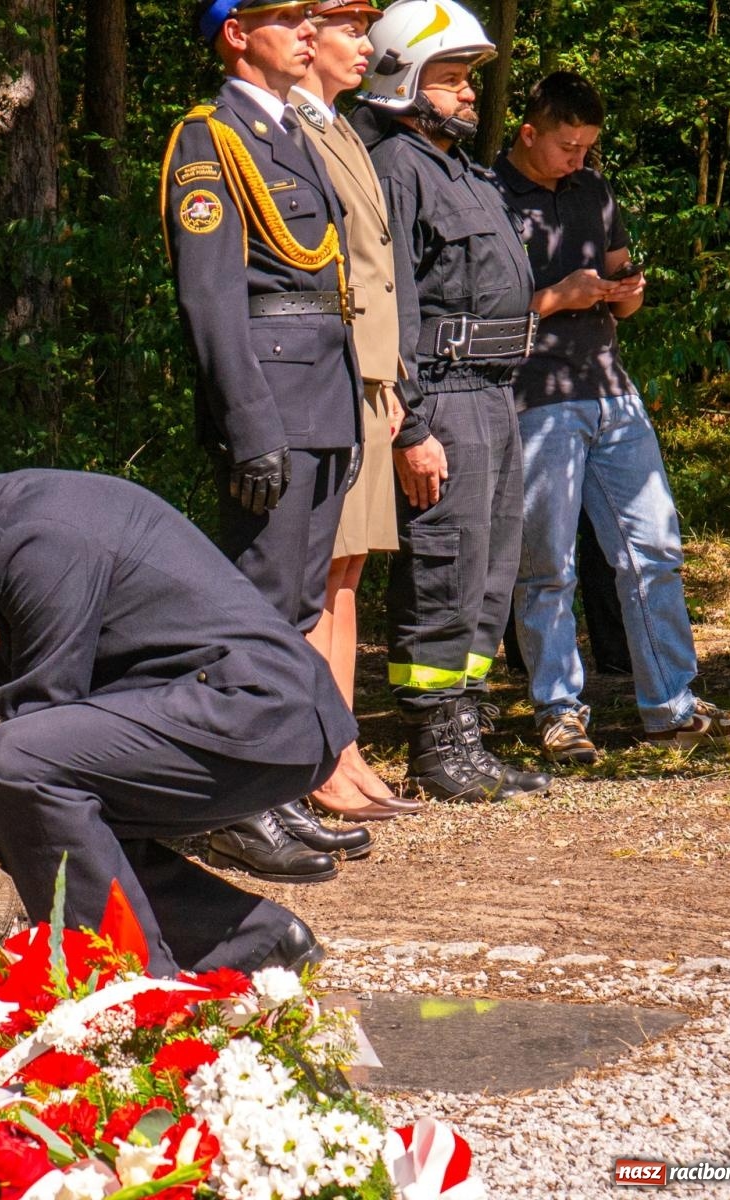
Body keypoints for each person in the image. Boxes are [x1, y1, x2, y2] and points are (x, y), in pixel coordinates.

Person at [0, 406, 357, 976]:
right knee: (50, 805)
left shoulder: (35, 537)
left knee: (23, 771)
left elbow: (38, 724)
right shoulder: (9, 527)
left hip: (258, 708)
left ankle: (126, 991)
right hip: (234, 704)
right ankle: (258, 944)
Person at [492, 71, 730, 762]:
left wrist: (625, 291)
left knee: (655, 549)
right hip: (536, 398)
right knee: (547, 565)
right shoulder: (486, 195)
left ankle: (672, 706)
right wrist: (558, 295)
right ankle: (558, 710)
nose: (577, 160)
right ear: (531, 132)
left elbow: (619, 285)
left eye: (587, 147)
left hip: (612, 390)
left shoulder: (594, 191)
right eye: (566, 146)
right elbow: (479, 314)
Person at [162, 0, 373, 871]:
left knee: (293, 613)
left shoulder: (290, 131)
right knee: (259, 616)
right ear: (237, 34)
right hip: (275, 406)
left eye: (307, 16)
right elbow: (212, 301)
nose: (306, 30)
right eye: (284, 16)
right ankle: (237, 804)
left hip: (321, 395)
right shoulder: (208, 142)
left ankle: (277, 792)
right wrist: (250, 428)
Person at [351, 0, 551, 802]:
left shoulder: (458, 167)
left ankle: (468, 726)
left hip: (497, 394)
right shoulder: (396, 167)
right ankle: (435, 743)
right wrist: (414, 422)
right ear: (400, 77)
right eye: (452, 78)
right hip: (446, 393)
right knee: (445, 564)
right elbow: (389, 301)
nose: (469, 94)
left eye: (470, 79)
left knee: (489, 570)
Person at [287, 0, 423, 821]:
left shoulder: (340, 127)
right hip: (327, 374)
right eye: (346, 30)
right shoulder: (289, 131)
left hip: (368, 375)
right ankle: (315, 758)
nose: (363, 44)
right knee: (318, 572)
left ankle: (342, 745)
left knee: (350, 567)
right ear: (304, 45)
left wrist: (392, 379)